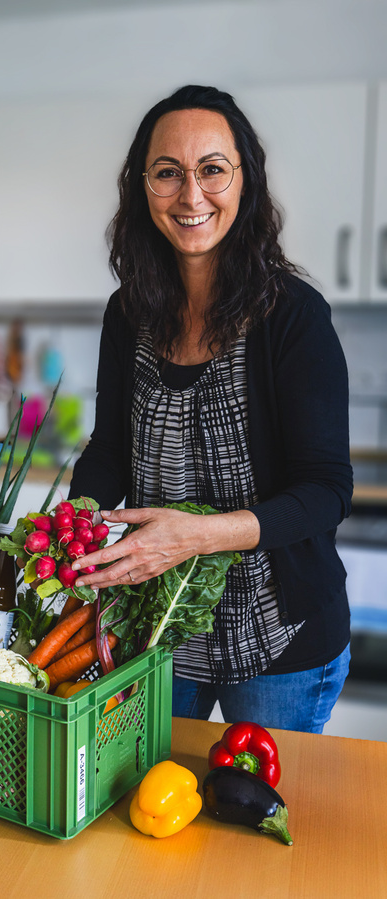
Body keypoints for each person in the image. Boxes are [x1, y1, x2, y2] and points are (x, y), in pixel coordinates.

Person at [67, 84, 353, 734]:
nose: (191, 196)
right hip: (157, 625)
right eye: (168, 173)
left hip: (283, 638)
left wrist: (197, 534)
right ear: (143, 186)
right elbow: (110, 450)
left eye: (212, 170)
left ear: (244, 181)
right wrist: (75, 526)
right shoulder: (129, 311)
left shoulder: (293, 316)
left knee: (251, 816)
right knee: (144, 817)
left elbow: (327, 490)